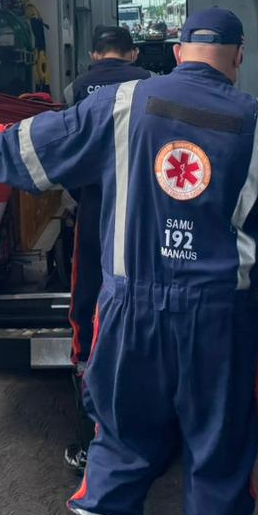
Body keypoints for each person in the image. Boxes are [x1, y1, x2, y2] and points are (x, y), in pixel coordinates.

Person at [0, 7, 258, 515]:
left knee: (120, 444)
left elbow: (38, 144)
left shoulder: (119, 105)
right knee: (219, 455)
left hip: (132, 311)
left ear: (177, 52)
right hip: (222, 320)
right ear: (240, 57)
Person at [61, 26, 153, 473]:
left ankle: (91, 426)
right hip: (141, 211)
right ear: (132, 52)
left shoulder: (78, 86)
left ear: (94, 53)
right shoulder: (153, 83)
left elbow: (65, 148)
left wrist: (80, 198)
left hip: (95, 208)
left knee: (88, 301)